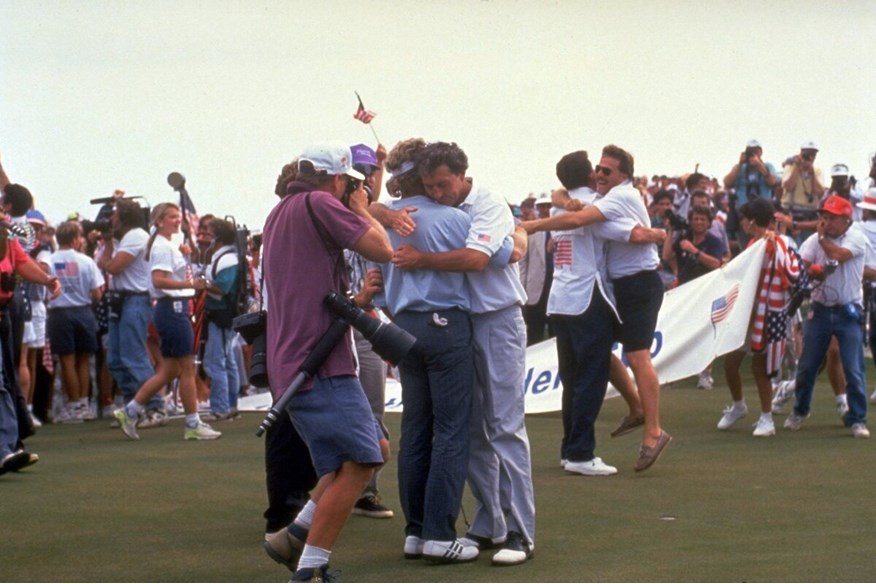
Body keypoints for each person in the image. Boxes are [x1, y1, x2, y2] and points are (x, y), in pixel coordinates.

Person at [390, 141, 536, 565]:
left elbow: (476, 259)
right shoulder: (445, 213)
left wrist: (422, 259)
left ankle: (521, 534)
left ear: (462, 174)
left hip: (498, 318)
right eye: (430, 186)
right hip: (463, 323)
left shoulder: (487, 202)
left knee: (505, 425)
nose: (437, 193)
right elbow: (513, 246)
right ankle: (491, 521)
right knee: (472, 431)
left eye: (443, 185)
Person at [261, 142, 392, 582]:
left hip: (298, 356)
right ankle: (311, 566)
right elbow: (382, 248)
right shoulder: (320, 202)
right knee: (362, 460)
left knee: (368, 452)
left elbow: (305, 286)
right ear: (339, 179)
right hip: (318, 359)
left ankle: (295, 533)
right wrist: (362, 208)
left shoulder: (281, 211)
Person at [522, 144, 671, 472]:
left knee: (574, 378)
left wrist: (546, 212)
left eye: (606, 170)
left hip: (562, 300)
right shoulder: (590, 205)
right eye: (597, 170)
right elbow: (614, 229)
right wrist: (643, 233)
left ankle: (573, 448)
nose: (601, 174)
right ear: (590, 175)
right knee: (591, 376)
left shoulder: (559, 209)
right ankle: (581, 454)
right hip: (589, 297)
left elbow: (563, 199)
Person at [376, 137, 478, 563]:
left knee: (416, 431)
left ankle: (416, 532)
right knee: (451, 431)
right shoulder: (451, 218)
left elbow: (379, 284)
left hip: (403, 327)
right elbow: (501, 252)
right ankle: (439, 532)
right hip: (444, 324)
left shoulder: (384, 223)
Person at [113, 202, 221, 441]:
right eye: (171, 217)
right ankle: (193, 422)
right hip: (172, 309)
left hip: (171, 309)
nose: (176, 220)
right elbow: (159, 281)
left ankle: (130, 411)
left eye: (177, 216)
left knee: (170, 369)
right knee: (187, 368)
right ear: (159, 221)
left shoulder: (165, 246)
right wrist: (190, 285)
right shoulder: (162, 247)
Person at [785, 195, 869, 438]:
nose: (825, 222)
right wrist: (811, 273)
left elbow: (840, 254)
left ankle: (857, 419)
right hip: (820, 309)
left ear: (846, 220)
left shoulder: (855, 238)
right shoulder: (813, 241)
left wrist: (821, 239)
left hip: (848, 309)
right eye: (823, 217)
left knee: (853, 368)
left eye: (831, 218)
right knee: (807, 365)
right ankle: (800, 411)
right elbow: (801, 266)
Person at [718, 199, 800, 437]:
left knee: (759, 367)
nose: (742, 222)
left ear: (753, 220)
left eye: (745, 218)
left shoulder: (780, 243)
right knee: (730, 363)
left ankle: (767, 419)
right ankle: (738, 406)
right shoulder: (754, 244)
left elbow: (790, 271)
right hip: (747, 315)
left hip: (768, 316)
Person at [345, 142, 394, 519]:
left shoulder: (371, 212)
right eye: (359, 173)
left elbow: (385, 247)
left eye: (370, 173)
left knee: (372, 406)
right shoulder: (331, 212)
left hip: (367, 323)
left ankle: (364, 491)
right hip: (337, 320)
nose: (365, 180)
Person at [0, 213, 61, 475]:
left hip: (3, 314)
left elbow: (23, 263)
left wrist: (48, 280)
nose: (5, 219)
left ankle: (7, 449)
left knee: (2, 382)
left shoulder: (10, 242)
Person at [95, 198, 165, 424]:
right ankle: (132, 408)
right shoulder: (123, 239)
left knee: (133, 356)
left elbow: (113, 267)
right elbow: (103, 263)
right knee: (115, 358)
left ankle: (155, 407)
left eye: (114, 214)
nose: (110, 218)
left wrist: (108, 257)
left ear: (125, 216)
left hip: (135, 300)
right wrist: (107, 243)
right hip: (120, 300)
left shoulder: (136, 236)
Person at [46, 221, 105, 422]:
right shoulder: (86, 261)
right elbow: (97, 293)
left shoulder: (50, 261)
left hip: (59, 313)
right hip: (83, 311)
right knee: (83, 360)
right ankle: (83, 405)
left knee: (67, 361)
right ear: (74, 239)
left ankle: (73, 405)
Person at [200, 217, 241, 421]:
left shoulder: (227, 259)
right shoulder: (225, 256)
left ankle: (221, 407)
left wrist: (202, 284)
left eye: (208, 231)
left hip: (222, 315)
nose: (204, 235)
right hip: (222, 315)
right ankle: (231, 404)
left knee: (216, 362)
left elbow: (222, 287)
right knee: (228, 361)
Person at [723, 139, 779, 248]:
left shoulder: (768, 166)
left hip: (763, 213)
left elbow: (773, 182)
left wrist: (759, 166)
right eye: (750, 151)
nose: (753, 154)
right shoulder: (740, 168)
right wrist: (739, 164)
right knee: (746, 247)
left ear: (760, 152)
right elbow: (727, 182)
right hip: (744, 214)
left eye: (755, 151)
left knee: (764, 244)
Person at [781, 141, 825, 241]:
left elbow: (819, 192)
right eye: (807, 154)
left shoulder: (817, 171)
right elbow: (788, 187)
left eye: (813, 154)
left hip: (809, 215)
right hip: (791, 213)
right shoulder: (790, 167)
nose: (810, 157)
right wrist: (797, 167)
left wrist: (812, 172)